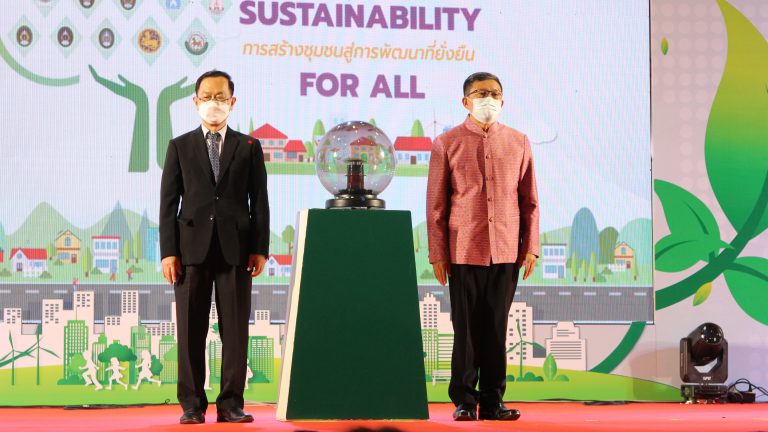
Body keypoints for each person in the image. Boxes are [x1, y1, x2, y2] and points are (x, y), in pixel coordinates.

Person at [426, 72, 539, 422]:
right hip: (463, 250)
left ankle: (492, 402)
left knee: (496, 328)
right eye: (480, 93)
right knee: (466, 330)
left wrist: (531, 246)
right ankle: (464, 401)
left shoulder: (519, 142)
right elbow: (436, 206)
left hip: (506, 250)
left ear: (503, 101)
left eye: (494, 93)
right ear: (466, 101)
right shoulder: (446, 143)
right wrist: (438, 253)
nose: (488, 99)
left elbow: (530, 201)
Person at [160, 70, 270, 425]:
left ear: (232, 102)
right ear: (195, 102)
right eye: (206, 96)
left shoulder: (249, 147)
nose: (213, 103)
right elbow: (168, 204)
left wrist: (260, 248)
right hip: (189, 252)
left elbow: (259, 202)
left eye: (220, 97)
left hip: (237, 250)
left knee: (235, 331)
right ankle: (192, 405)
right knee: (190, 331)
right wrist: (168, 252)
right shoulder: (179, 146)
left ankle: (231, 404)